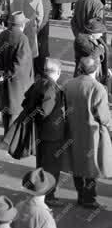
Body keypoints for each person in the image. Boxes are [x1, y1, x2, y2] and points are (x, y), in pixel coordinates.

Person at [64, 56, 112, 209]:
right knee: (91, 165)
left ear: (79, 68)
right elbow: (103, 116)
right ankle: (89, 198)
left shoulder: (68, 84)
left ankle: (80, 195)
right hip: (92, 133)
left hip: (72, 129)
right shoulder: (98, 88)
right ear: (96, 69)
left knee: (77, 162)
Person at [20, 58, 66, 206]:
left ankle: (40, 191)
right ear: (58, 72)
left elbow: (26, 101)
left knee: (41, 164)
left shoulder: (38, 82)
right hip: (52, 133)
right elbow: (45, 111)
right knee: (51, 166)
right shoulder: (51, 88)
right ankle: (49, 196)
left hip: (41, 132)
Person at [0, 11, 34, 132]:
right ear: (22, 24)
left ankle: (7, 133)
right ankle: (10, 139)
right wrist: (8, 74)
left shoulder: (2, 35)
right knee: (15, 110)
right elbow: (20, 63)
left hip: (4, 76)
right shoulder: (22, 39)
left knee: (7, 107)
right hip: (18, 81)